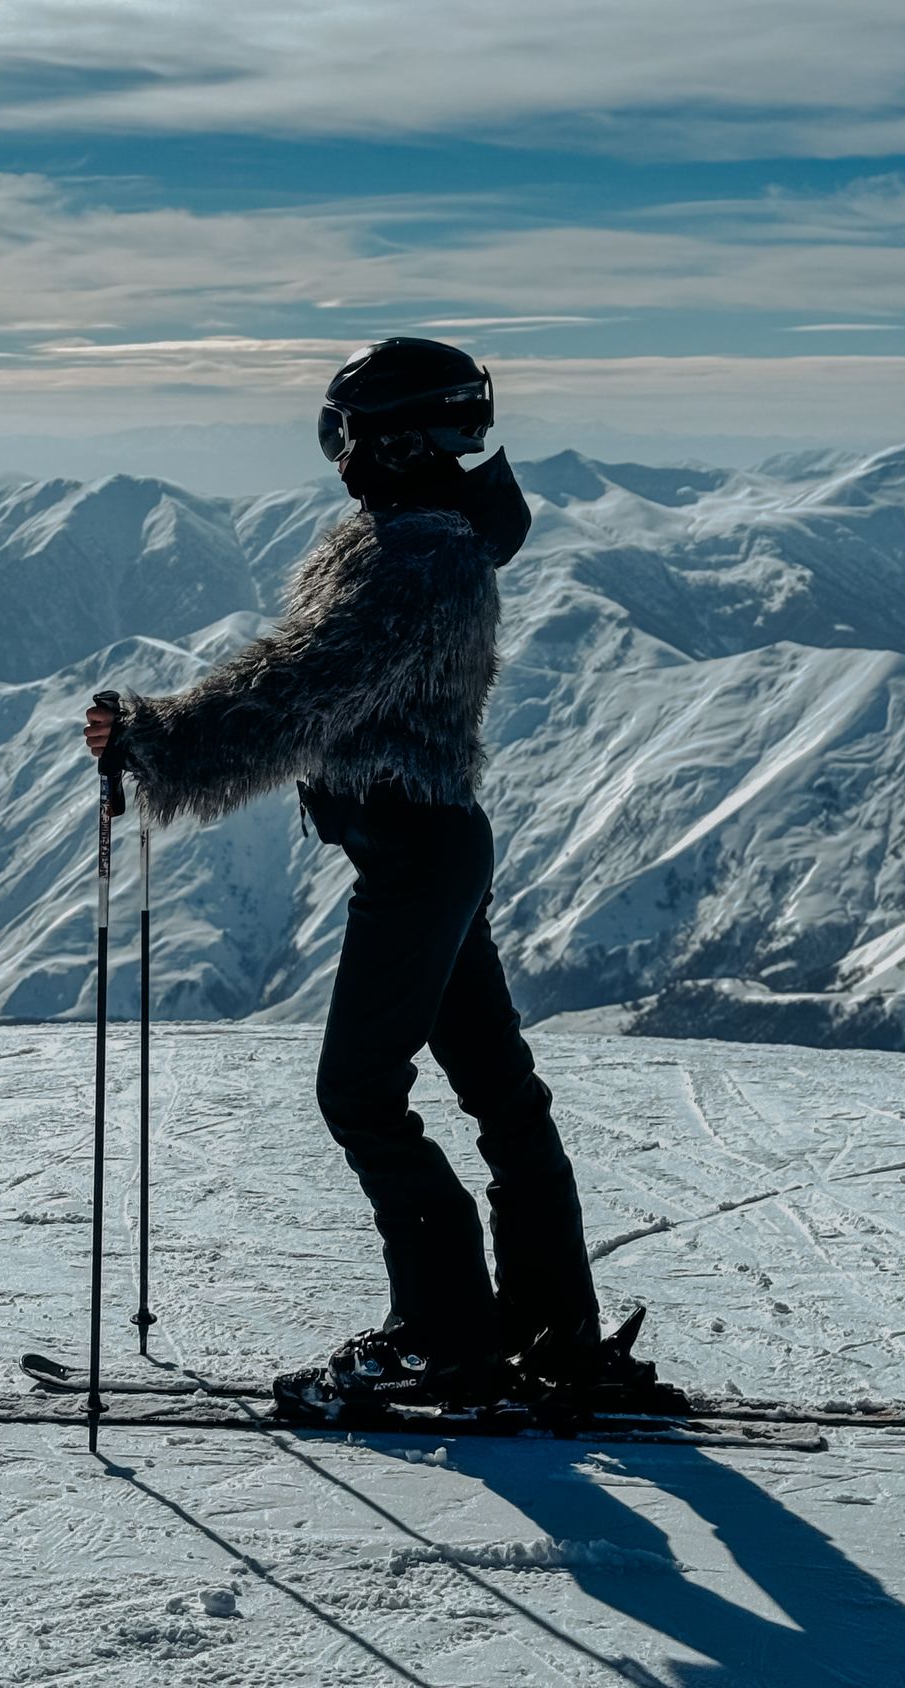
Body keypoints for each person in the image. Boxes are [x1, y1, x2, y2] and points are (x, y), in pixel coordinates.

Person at [83, 338, 604, 1409]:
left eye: (345, 432)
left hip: (416, 857)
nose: (339, 454)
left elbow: (303, 688)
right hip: (433, 842)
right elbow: (314, 680)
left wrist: (158, 737)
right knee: (499, 1096)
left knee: (360, 1093)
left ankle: (441, 1340)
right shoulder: (428, 544)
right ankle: (549, 1329)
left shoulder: (414, 562)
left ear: (396, 440)